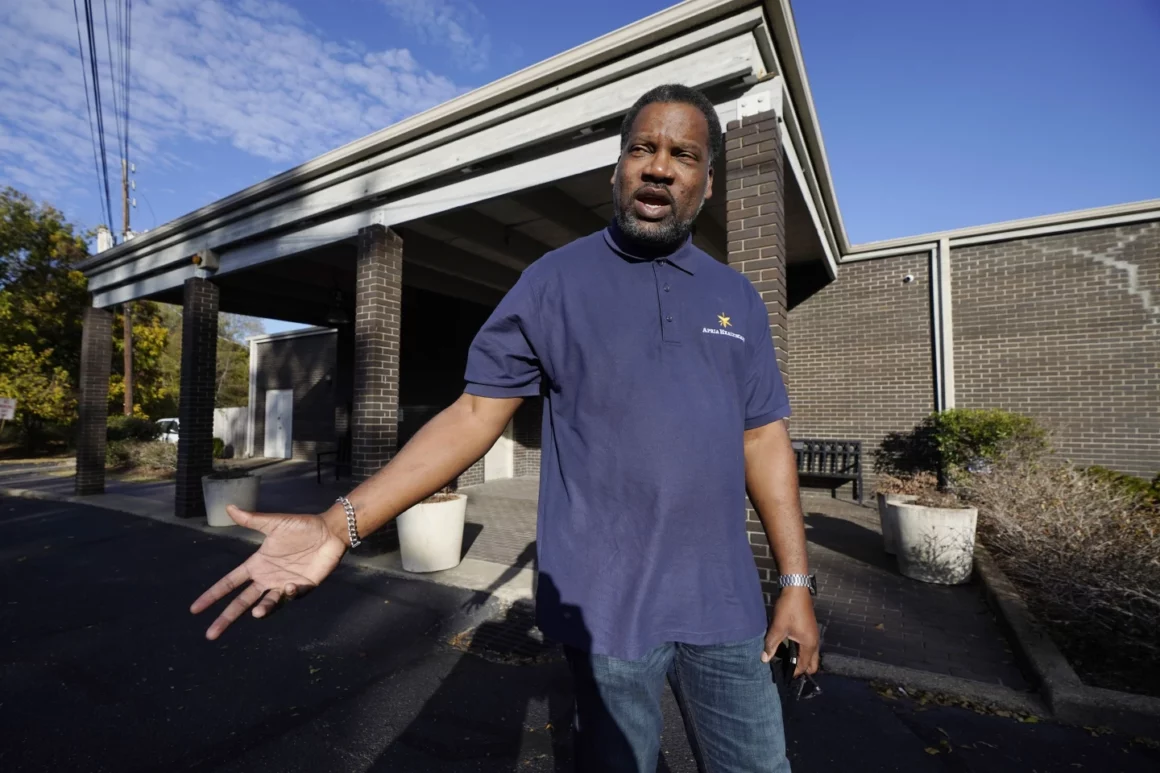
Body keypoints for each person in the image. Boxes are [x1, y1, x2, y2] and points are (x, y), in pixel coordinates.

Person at [191, 83, 820, 772]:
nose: (660, 167)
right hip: (605, 612)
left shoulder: (736, 297)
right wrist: (339, 523)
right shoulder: (554, 282)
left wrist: (795, 581)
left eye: (684, 154)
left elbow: (763, 439)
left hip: (725, 604)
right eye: (643, 148)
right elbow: (472, 415)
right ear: (617, 168)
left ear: (708, 182)